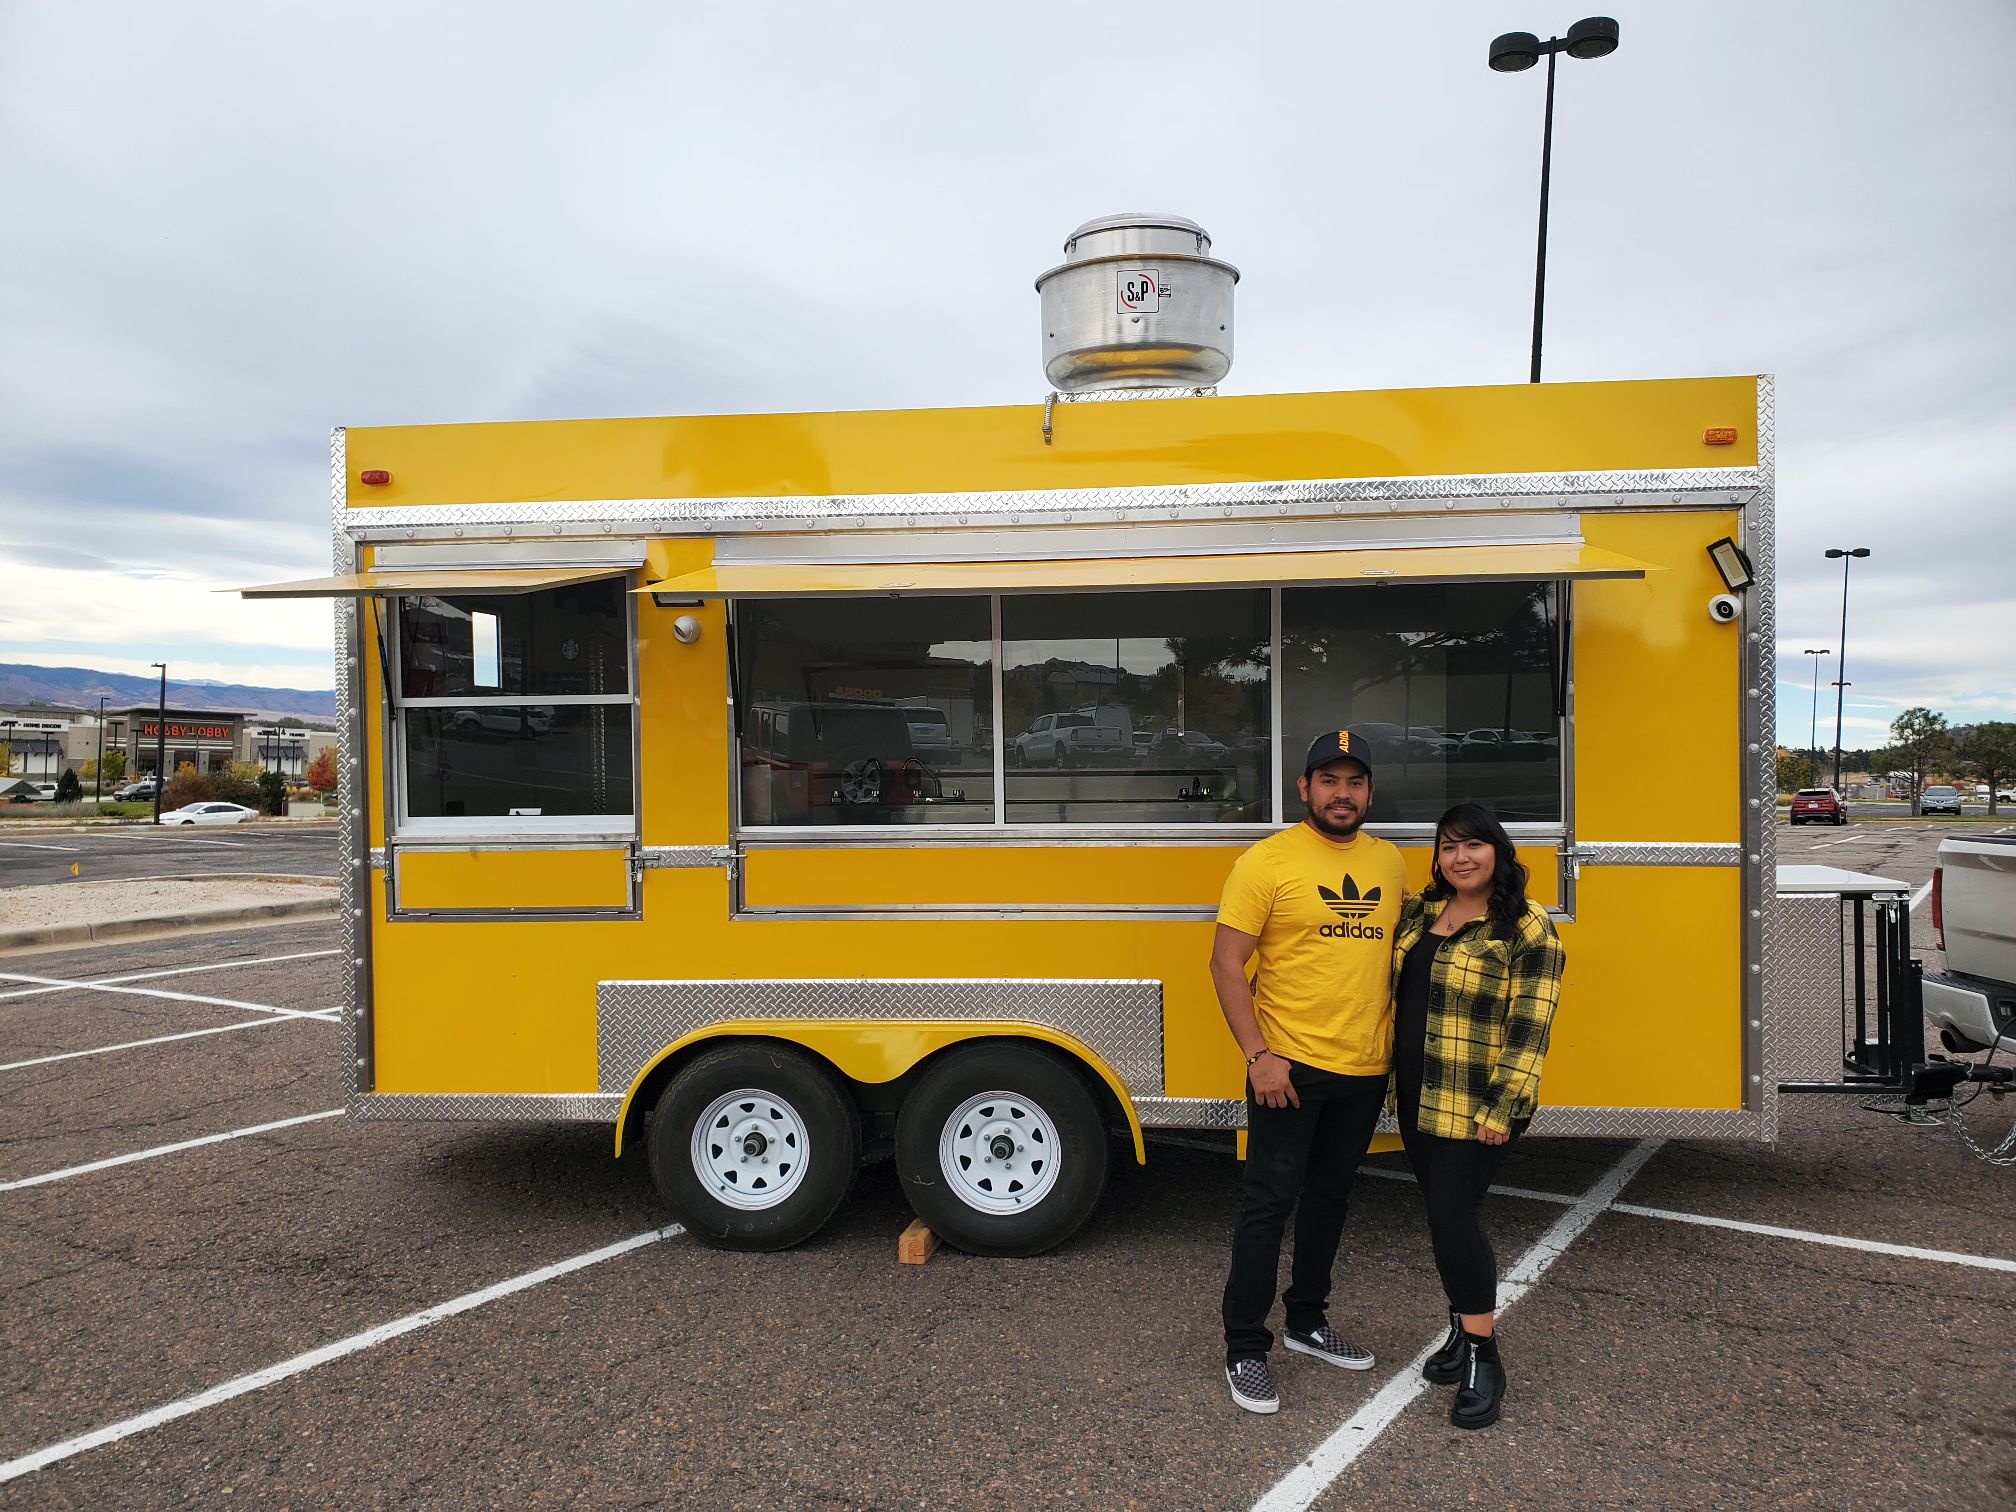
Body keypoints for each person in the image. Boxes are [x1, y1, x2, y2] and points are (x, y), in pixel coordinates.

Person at [1210, 730, 1407, 1414]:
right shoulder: (1267, 862)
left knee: (1331, 1198)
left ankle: (1308, 1322)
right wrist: (1258, 1055)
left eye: (1355, 782)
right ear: (1304, 789)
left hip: (1362, 1067)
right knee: (1269, 1203)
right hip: (1287, 1067)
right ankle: (1244, 1347)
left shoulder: (1390, 864)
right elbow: (1226, 963)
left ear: (1370, 792)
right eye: (1329, 780)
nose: (1342, 793)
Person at [1390, 802, 1565, 1430]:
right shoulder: (1421, 913)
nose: (1459, 858)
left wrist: (1504, 1107)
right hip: (1416, 1097)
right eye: (1446, 847)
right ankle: (1461, 1335)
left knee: (1453, 1217)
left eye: (1472, 846)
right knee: (1441, 1220)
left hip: (1479, 1104)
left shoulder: (1526, 926)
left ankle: (1486, 1358)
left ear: (1498, 851)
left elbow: (1531, 1027)